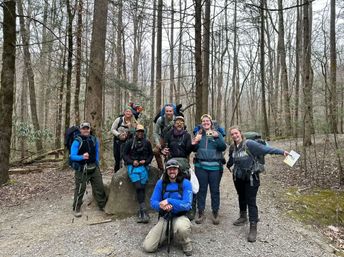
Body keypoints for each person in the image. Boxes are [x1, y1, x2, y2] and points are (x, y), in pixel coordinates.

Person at [226, 126, 289, 242]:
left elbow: (266, 150)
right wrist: (227, 165)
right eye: (232, 134)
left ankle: (253, 227)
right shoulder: (233, 147)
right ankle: (243, 216)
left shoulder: (250, 144)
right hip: (238, 177)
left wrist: (282, 152)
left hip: (251, 178)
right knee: (241, 197)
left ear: (241, 133)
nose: (235, 136)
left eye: (236, 133)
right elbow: (232, 159)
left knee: (251, 201)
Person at [142, 159, 193, 256]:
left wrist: (169, 201)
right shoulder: (160, 183)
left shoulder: (186, 183)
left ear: (178, 170)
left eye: (174, 169)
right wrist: (161, 206)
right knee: (148, 247)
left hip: (180, 216)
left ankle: (186, 242)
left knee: (182, 228)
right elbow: (153, 202)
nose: (172, 171)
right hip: (165, 217)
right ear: (166, 171)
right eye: (169, 169)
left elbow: (187, 205)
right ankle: (169, 233)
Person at [192, 114, 227, 225]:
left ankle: (215, 212)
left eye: (208, 121)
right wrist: (195, 141)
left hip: (215, 167)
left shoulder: (218, 134)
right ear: (201, 123)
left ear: (211, 123)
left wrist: (217, 137)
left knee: (215, 190)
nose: (206, 123)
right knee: (201, 190)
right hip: (200, 166)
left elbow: (223, 147)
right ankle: (201, 212)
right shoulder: (199, 134)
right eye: (204, 121)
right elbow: (193, 148)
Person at [70, 122, 107, 217]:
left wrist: (97, 162)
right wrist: (82, 157)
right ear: (80, 130)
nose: (86, 130)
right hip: (82, 169)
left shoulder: (94, 139)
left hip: (94, 167)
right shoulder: (77, 141)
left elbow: (97, 152)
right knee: (80, 189)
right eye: (84, 128)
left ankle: (102, 205)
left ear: (90, 129)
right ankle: (76, 208)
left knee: (99, 187)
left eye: (87, 128)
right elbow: (72, 156)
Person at [123, 124, 153, 223]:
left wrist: (146, 161)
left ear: (143, 132)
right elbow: (125, 155)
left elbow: (150, 155)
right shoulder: (130, 142)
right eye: (138, 131)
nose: (140, 133)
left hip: (144, 167)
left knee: (142, 188)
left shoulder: (147, 143)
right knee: (139, 187)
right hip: (133, 167)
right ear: (135, 132)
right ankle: (143, 210)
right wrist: (132, 162)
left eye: (141, 131)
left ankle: (142, 211)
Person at [111, 106, 138, 172]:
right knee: (117, 158)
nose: (128, 113)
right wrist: (119, 135)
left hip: (128, 142)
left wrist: (129, 127)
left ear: (132, 113)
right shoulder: (119, 120)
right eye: (127, 111)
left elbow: (135, 132)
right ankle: (116, 173)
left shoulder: (134, 121)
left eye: (130, 111)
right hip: (118, 141)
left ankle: (126, 173)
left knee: (127, 158)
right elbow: (112, 129)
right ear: (124, 112)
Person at [153, 104, 176, 171]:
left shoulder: (176, 119)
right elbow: (155, 132)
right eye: (167, 111)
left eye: (170, 111)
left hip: (174, 139)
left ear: (173, 111)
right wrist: (157, 143)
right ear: (164, 111)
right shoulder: (160, 119)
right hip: (163, 138)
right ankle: (161, 169)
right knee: (155, 151)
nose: (168, 113)